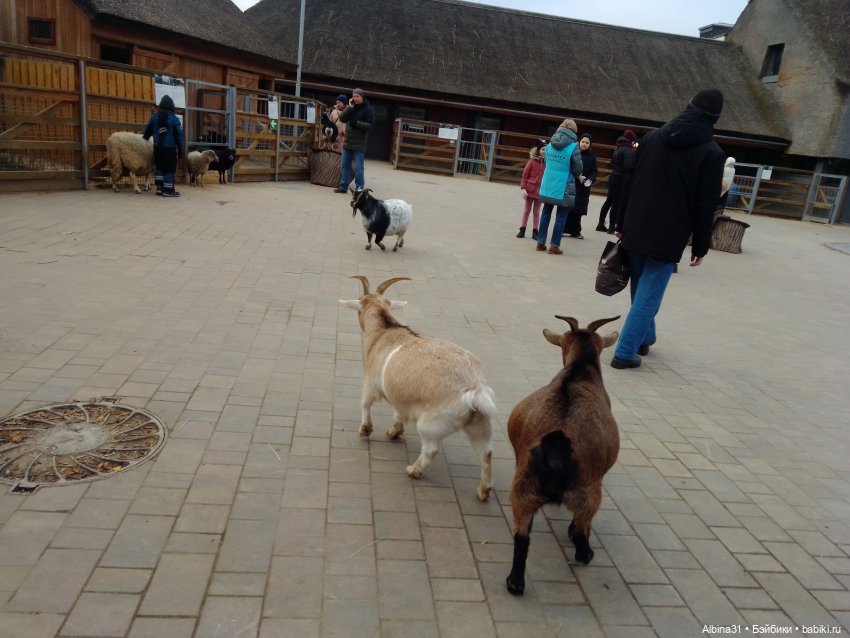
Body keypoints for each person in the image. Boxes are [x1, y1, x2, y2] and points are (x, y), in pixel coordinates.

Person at [610, 89, 726, 369]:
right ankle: (625, 352)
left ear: (687, 107)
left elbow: (629, 181)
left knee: (641, 290)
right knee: (648, 296)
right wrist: (701, 245)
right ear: (714, 119)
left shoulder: (651, 138)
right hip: (669, 234)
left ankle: (644, 337)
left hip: (636, 223)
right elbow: (706, 204)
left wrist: (620, 222)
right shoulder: (712, 153)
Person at [536, 119, 582, 255]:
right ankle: (554, 246)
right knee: (561, 216)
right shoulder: (573, 146)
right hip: (564, 185)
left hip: (548, 182)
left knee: (546, 213)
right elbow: (578, 168)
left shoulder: (550, 144)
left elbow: (546, 161)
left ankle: (540, 242)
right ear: (573, 131)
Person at [334, 88, 375, 193]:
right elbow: (342, 118)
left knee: (358, 168)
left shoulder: (367, 109)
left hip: (359, 144)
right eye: (354, 96)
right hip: (347, 142)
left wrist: (356, 123)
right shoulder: (351, 107)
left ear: (362, 97)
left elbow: (371, 126)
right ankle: (343, 186)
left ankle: (359, 188)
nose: (355, 98)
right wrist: (349, 107)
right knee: (345, 165)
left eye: (357, 96)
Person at [143, 94, 184, 197]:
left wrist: (146, 137)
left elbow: (147, 130)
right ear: (172, 106)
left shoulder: (154, 117)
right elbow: (179, 136)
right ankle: (168, 190)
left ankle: (159, 188)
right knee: (169, 168)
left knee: (159, 167)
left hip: (157, 148)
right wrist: (181, 150)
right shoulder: (174, 120)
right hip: (169, 149)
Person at [596, 129, 636, 232]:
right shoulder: (628, 150)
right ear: (631, 140)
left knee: (609, 200)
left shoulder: (617, 148)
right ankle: (612, 226)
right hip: (621, 178)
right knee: (616, 202)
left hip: (613, 176)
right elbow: (628, 166)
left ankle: (600, 223)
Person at [565, 133, 597, 239]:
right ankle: (564, 229)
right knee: (569, 208)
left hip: (584, 187)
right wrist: (576, 175)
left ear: (590, 144)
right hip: (572, 184)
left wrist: (590, 180)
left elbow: (594, 171)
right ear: (579, 142)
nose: (584, 144)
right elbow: (568, 167)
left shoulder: (592, 156)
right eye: (583, 142)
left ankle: (576, 231)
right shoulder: (574, 153)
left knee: (579, 210)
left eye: (587, 142)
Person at [517, 139, 546, 239]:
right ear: (538, 150)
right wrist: (523, 188)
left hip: (540, 192)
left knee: (536, 212)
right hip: (530, 190)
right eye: (542, 149)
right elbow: (525, 175)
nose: (544, 151)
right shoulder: (531, 162)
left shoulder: (548, 163)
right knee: (526, 211)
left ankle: (535, 231)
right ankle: (522, 229)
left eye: (546, 150)